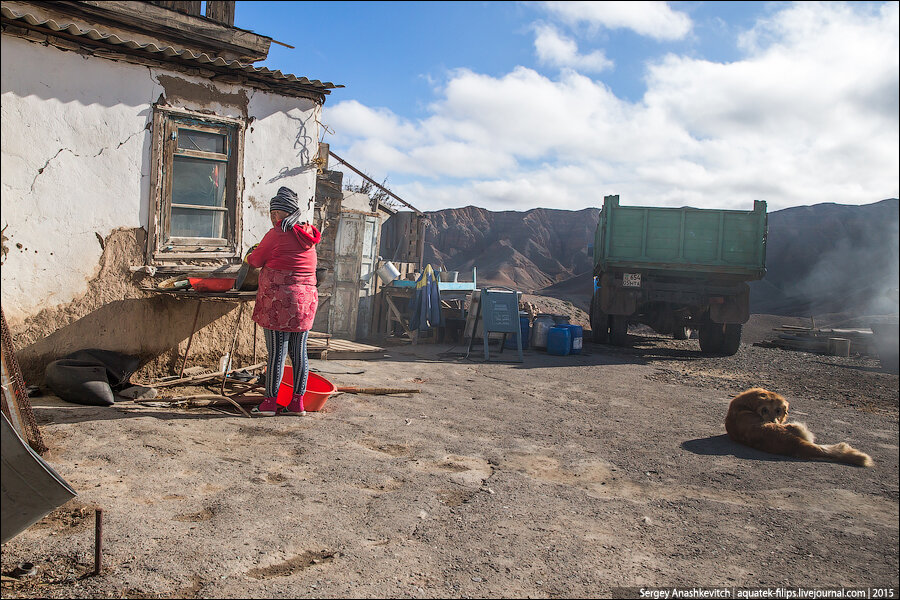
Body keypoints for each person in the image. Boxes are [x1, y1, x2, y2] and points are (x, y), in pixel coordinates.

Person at [246, 187, 322, 416]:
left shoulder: (277, 233)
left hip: (280, 301)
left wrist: (249, 255)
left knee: (277, 352)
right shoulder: (308, 234)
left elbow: (256, 260)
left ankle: (270, 403)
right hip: (306, 301)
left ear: (283, 214)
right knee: (299, 352)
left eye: (274, 213)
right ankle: (297, 404)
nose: (272, 218)